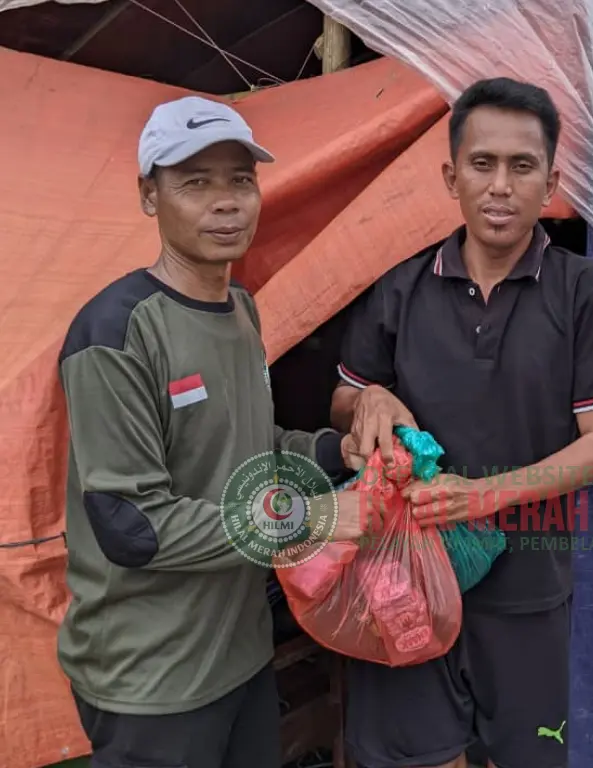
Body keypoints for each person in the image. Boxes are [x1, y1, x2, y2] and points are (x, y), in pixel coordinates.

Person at [57, 96, 370, 768]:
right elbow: (133, 525)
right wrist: (314, 517)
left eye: (239, 179)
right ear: (149, 196)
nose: (225, 202)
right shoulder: (116, 332)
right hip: (153, 680)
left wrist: (332, 450)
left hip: (240, 655)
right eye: (194, 182)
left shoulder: (241, 312)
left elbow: (252, 450)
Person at [330, 77, 593, 768]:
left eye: (522, 167)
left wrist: (483, 496)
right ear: (451, 175)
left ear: (551, 180)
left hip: (526, 588)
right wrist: (370, 401)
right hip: (404, 579)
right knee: (419, 758)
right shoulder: (400, 288)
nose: (500, 186)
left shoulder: (583, 292)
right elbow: (343, 404)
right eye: (482, 164)